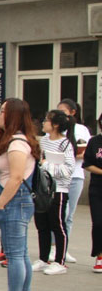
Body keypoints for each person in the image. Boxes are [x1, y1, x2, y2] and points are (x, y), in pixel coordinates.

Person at [0, 98, 39, 291]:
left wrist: (1, 203)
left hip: (15, 201)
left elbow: (15, 178)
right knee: (20, 252)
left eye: (3, 111)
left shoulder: (17, 144)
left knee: (14, 254)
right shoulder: (11, 141)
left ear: (14, 116)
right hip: (12, 200)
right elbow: (3, 175)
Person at [32, 110, 75, 275]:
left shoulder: (65, 144)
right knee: (42, 225)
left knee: (57, 225)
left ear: (55, 125)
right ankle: (43, 259)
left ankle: (60, 261)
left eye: (46, 120)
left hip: (59, 190)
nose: (43, 123)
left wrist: (47, 165)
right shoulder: (44, 141)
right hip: (43, 189)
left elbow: (68, 170)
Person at [55, 99, 91, 263]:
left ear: (73, 112)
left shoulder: (82, 129)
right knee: (58, 213)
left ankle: (64, 248)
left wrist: (78, 154)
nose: (60, 114)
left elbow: (88, 151)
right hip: (59, 175)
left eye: (63, 111)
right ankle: (53, 247)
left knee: (69, 215)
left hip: (76, 175)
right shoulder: (55, 128)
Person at [82, 112, 102, 273]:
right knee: (98, 222)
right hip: (97, 188)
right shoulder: (94, 142)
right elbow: (87, 164)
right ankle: (99, 256)